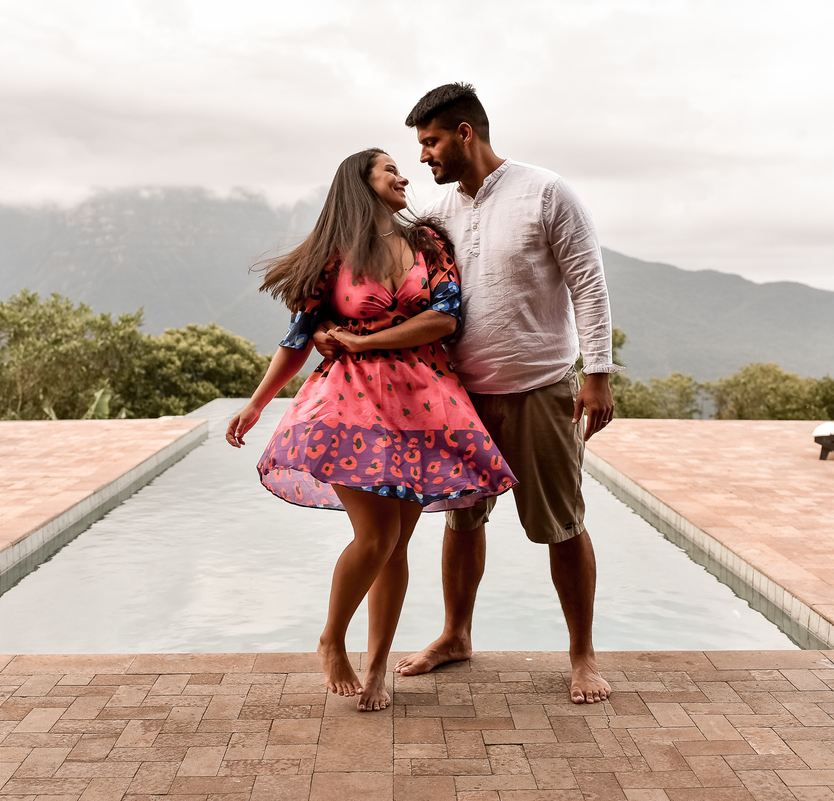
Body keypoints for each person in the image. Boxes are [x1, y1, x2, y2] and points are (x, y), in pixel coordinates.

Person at [327, 84, 620, 704]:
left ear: (465, 133)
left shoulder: (545, 191)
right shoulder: (437, 216)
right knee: (462, 523)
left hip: (539, 387)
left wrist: (598, 373)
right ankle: (456, 635)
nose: (424, 156)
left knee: (561, 526)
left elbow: (588, 285)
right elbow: (394, 271)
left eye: (430, 142)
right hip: (458, 399)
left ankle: (583, 655)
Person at [225, 147, 516, 712]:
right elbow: (297, 339)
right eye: (390, 169)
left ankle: (378, 667)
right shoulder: (333, 258)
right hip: (351, 405)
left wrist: (362, 339)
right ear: (361, 183)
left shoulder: (428, 243)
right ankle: (331, 639)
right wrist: (258, 404)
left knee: (398, 543)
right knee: (376, 538)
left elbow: (445, 316)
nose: (404, 175)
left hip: (425, 402)